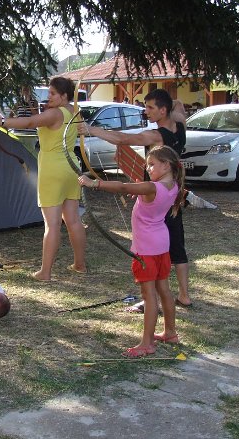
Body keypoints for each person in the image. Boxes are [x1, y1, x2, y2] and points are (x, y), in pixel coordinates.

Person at [81, 88, 193, 307]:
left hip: (155, 196)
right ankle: (184, 296)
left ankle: (151, 299)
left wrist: (90, 129)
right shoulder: (179, 123)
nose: (145, 111)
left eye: (150, 107)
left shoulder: (157, 135)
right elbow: (179, 104)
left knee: (151, 248)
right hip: (172, 192)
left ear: (163, 110)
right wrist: (168, 104)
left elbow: (123, 139)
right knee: (177, 245)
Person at [79, 146, 186, 357]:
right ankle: (170, 333)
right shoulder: (173, 185)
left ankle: (147, 343)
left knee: (149, 296)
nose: (148, 168)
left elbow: (121, 186)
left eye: (152, 164)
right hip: (161, 244)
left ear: (167, 165)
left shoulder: (151, 187)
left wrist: (93, 183)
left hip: (146, 248)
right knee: (164, 289)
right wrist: (140, 191)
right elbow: (147, 195)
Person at [0, 76, 87, 280]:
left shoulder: (55, 113)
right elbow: (40, 121)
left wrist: (2, 122)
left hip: (53, 169)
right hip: (71, 167)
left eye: (53, 93)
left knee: (52, 224)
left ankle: (45, 272)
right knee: (73, 220)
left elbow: (31, 122)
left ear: (64, 96)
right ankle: (80, 265)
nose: (48, 96)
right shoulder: (74, 111)